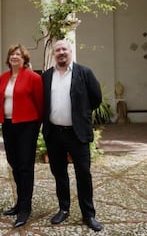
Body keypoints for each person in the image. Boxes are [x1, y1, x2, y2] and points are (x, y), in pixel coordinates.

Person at [41, 39, 103, 232]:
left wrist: (79, 115)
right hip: (54, 134)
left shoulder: (84, 73)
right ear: (53, 54)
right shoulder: (46, 76)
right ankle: (64, 209)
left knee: (83, 174)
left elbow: (96, 99)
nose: (61, 53)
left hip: (78, 134)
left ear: (70, 52)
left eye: (64, 49)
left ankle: (88, 214)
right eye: (57, 50)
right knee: (59, 174)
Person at [0, 43, 43, 228]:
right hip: (8, 125)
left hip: (27, 126)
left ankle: (26, 207)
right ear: (8, 59)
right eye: (12, 54)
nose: (14, 57)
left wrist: (37, 126)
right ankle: (19, 202)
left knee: (25, 166)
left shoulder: (33, 78)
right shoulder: (3, 78)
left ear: (24, 59)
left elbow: (40, 104)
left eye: (18, 54)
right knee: (14, 164)